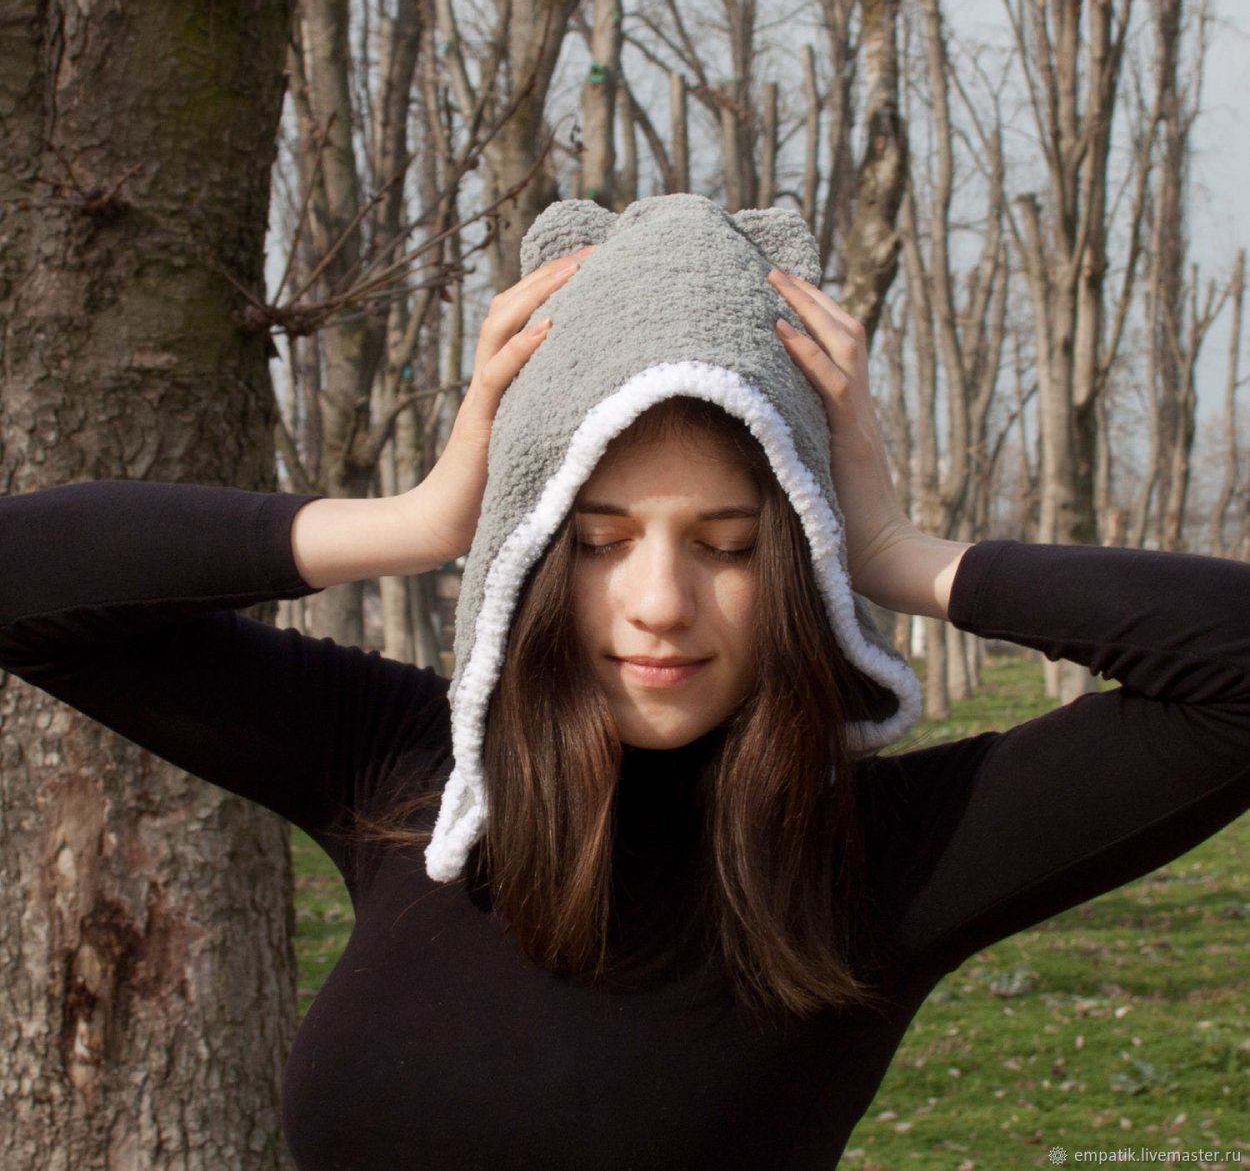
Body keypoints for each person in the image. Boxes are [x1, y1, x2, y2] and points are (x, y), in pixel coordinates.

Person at [1, 193, 1247, 1171]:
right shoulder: (415, 779)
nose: (658, 600)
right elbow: (26, 580)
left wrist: (889, 550)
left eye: (728, 545)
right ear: (534, 549)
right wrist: (425, 515)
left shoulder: (877, 857)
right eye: (597, 539)